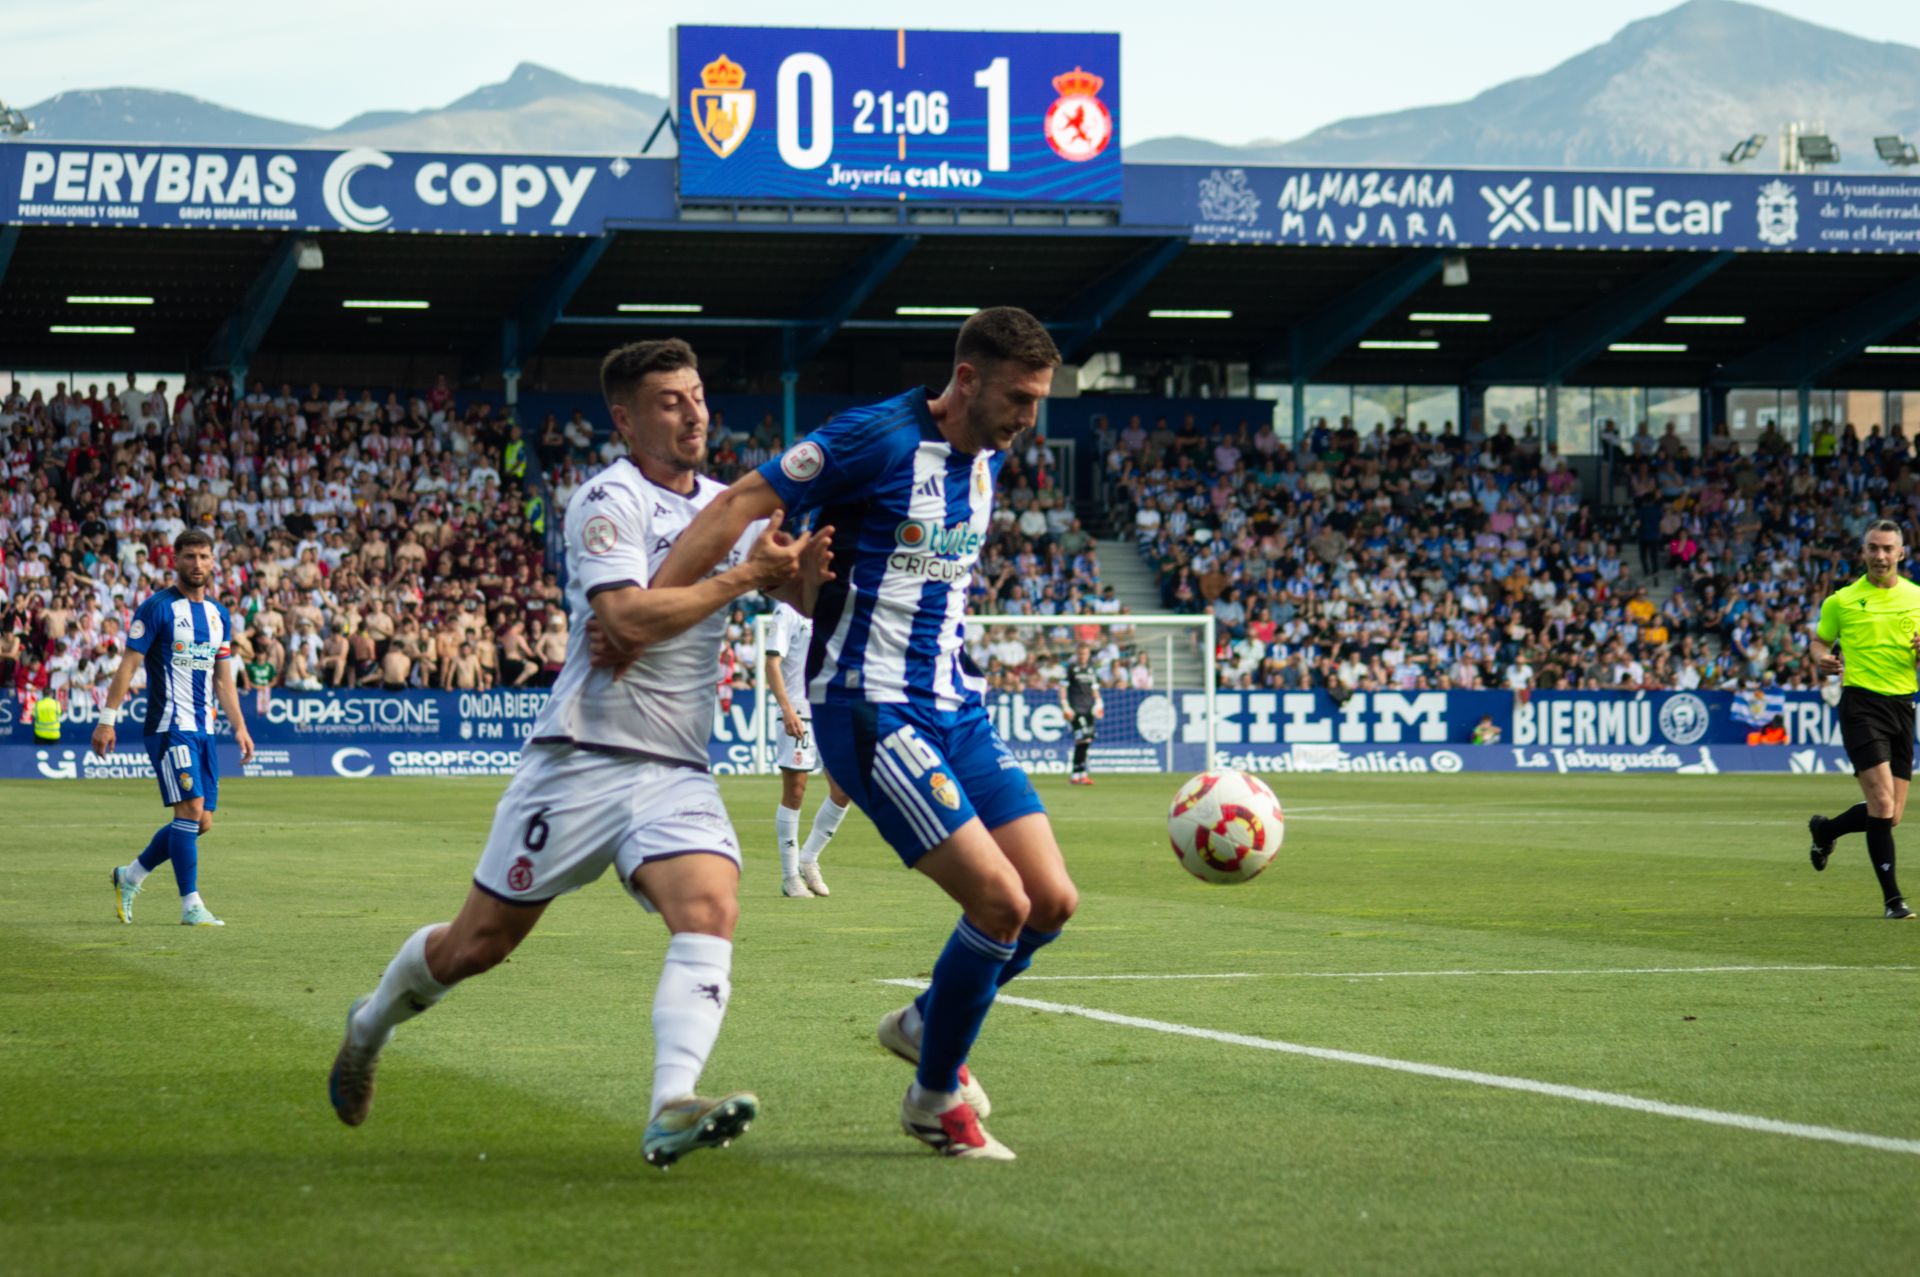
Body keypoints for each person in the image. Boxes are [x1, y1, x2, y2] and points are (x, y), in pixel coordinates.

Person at [327, 338, 829, 1167]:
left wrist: (802, 571)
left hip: (674, 766)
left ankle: (671, 1102)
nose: (695, 410)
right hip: (581, 756)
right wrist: (745, 580)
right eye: (671, 400)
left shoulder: (727, 507)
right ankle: (368, 1023)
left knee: (711, 909)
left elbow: (790, 590)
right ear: (626, 418)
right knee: (476, 946)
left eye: (699, 394)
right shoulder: (607, 497)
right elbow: (624, 622)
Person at [654, 307, 1080, 1160]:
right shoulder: (874, 439)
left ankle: (924, 1024)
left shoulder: (986, 457)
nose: (1029, 419)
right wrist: (664, 594)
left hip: (956, 708)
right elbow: (745, 502)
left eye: (1039, 401)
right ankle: (933, 1100)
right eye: (1019, 398)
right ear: (966, 381)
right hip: (868, 707)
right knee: (998, 902)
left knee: (1051, 902)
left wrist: (808, 583)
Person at [93, 530, 256, 928]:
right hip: (168, 726)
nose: (196, 564)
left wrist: (240, 727)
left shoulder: (219, 615)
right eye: (189, 556)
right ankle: (191, 906)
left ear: (213, 562)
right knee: (189, 810)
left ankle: (129, 876)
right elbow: (129, 665)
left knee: (201, 822)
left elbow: (223, 679)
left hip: (204, 729)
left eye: (203, 556)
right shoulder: (156, 608)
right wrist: (107, 719)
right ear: (175, 560)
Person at [1807, 519, 1920, 920]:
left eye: (1888, 548)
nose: (1880, 555)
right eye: (1873, 547)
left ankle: (1826, 831)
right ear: (1864, 551)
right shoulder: (1842, 600)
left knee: (1891, 816)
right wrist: (1820, 657)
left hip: (1904, 707)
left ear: (1901, 553)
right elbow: (1819, 640)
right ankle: (1893, 901)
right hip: (1860, 705)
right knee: (1882, 802)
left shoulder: (1917, 598)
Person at [763, 598, 851, 898]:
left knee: (844, 787)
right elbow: (771, 663)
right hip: (798, 712)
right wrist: (786, 709)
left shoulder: (833, 608)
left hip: (830, 711)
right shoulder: (787, 611)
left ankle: (809, 858)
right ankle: (790, 877)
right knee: (795, 791)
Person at [1058, 643, 1103, 785]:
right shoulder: (1071, 669)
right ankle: (1080, 774)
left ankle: (1077, 774)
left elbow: (1094, 689)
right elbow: (1063, 688)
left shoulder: (1091, 670)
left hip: (1089, 709)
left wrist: (1099, 702)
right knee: (1083, 740)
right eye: (1081, 654)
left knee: (1084, 741)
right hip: (1076, 709)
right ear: (1077, 655)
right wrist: (1065, 706)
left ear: (1088, 655)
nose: (1083, 656)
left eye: (1085, 654)